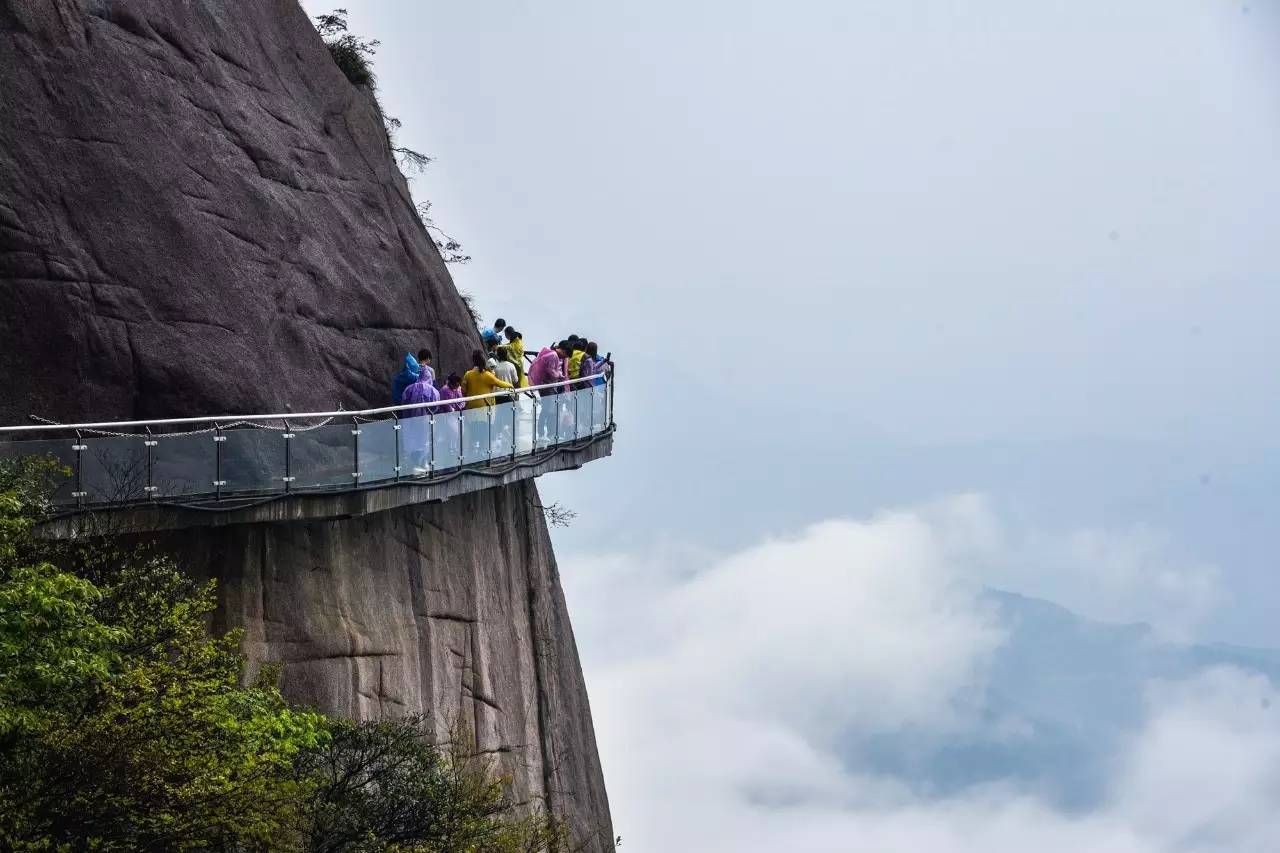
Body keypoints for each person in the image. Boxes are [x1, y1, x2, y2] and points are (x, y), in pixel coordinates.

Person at [399, 370, 440, 472]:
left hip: (410, 420)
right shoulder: (432, 390)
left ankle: (413, 466)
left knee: (412, 442)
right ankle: (422, 465)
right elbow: (436, 406)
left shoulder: (409, 388)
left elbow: (403, 403)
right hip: (425, 420)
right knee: (425, 442)